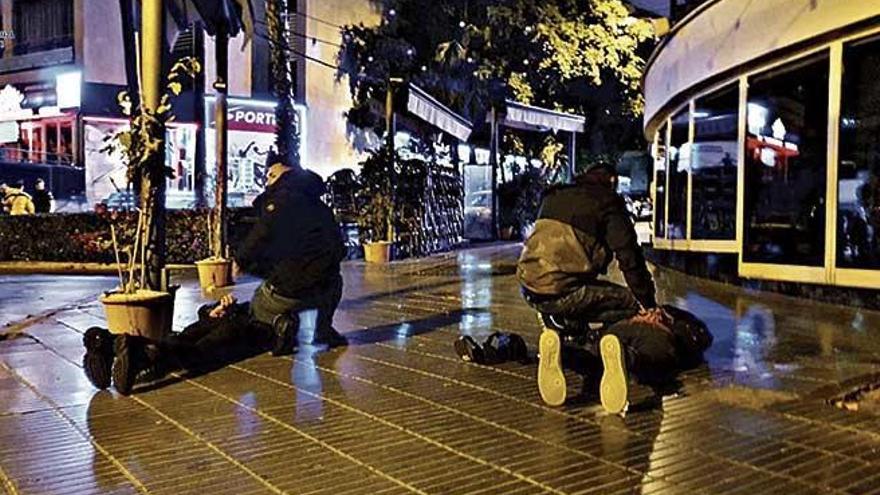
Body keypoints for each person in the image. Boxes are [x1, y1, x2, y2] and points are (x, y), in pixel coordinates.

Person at [516, 161, 672, 412]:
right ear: (611, 182)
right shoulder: (607, 202)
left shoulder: (555, 195)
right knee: (629, 303)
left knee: (580, 298)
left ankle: (558, 338)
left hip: (530, 288)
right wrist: (647, 303)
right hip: (563, 290)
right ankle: (613, 349)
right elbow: (629, 257)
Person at [235, 159, 348, 355]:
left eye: (272, 176)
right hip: (327, 288)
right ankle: (322, 329)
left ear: (286, 175)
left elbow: (262, 233)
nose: (267, 181)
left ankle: (281, 329)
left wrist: (240, 259)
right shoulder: (319, 205)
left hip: (288, 291)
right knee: (333, 279)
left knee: (256, 305)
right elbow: (339, 246)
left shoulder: (281, 200)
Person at [83, 295, 272, 393]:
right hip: (226, 323)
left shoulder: (270, 311)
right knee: (183, 345)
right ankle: (124, 347)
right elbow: (204, 312)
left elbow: (272, 331)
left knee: (189, 348)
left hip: (242, 330)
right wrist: (216, 309)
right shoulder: (263, 301)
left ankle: (122, 346)